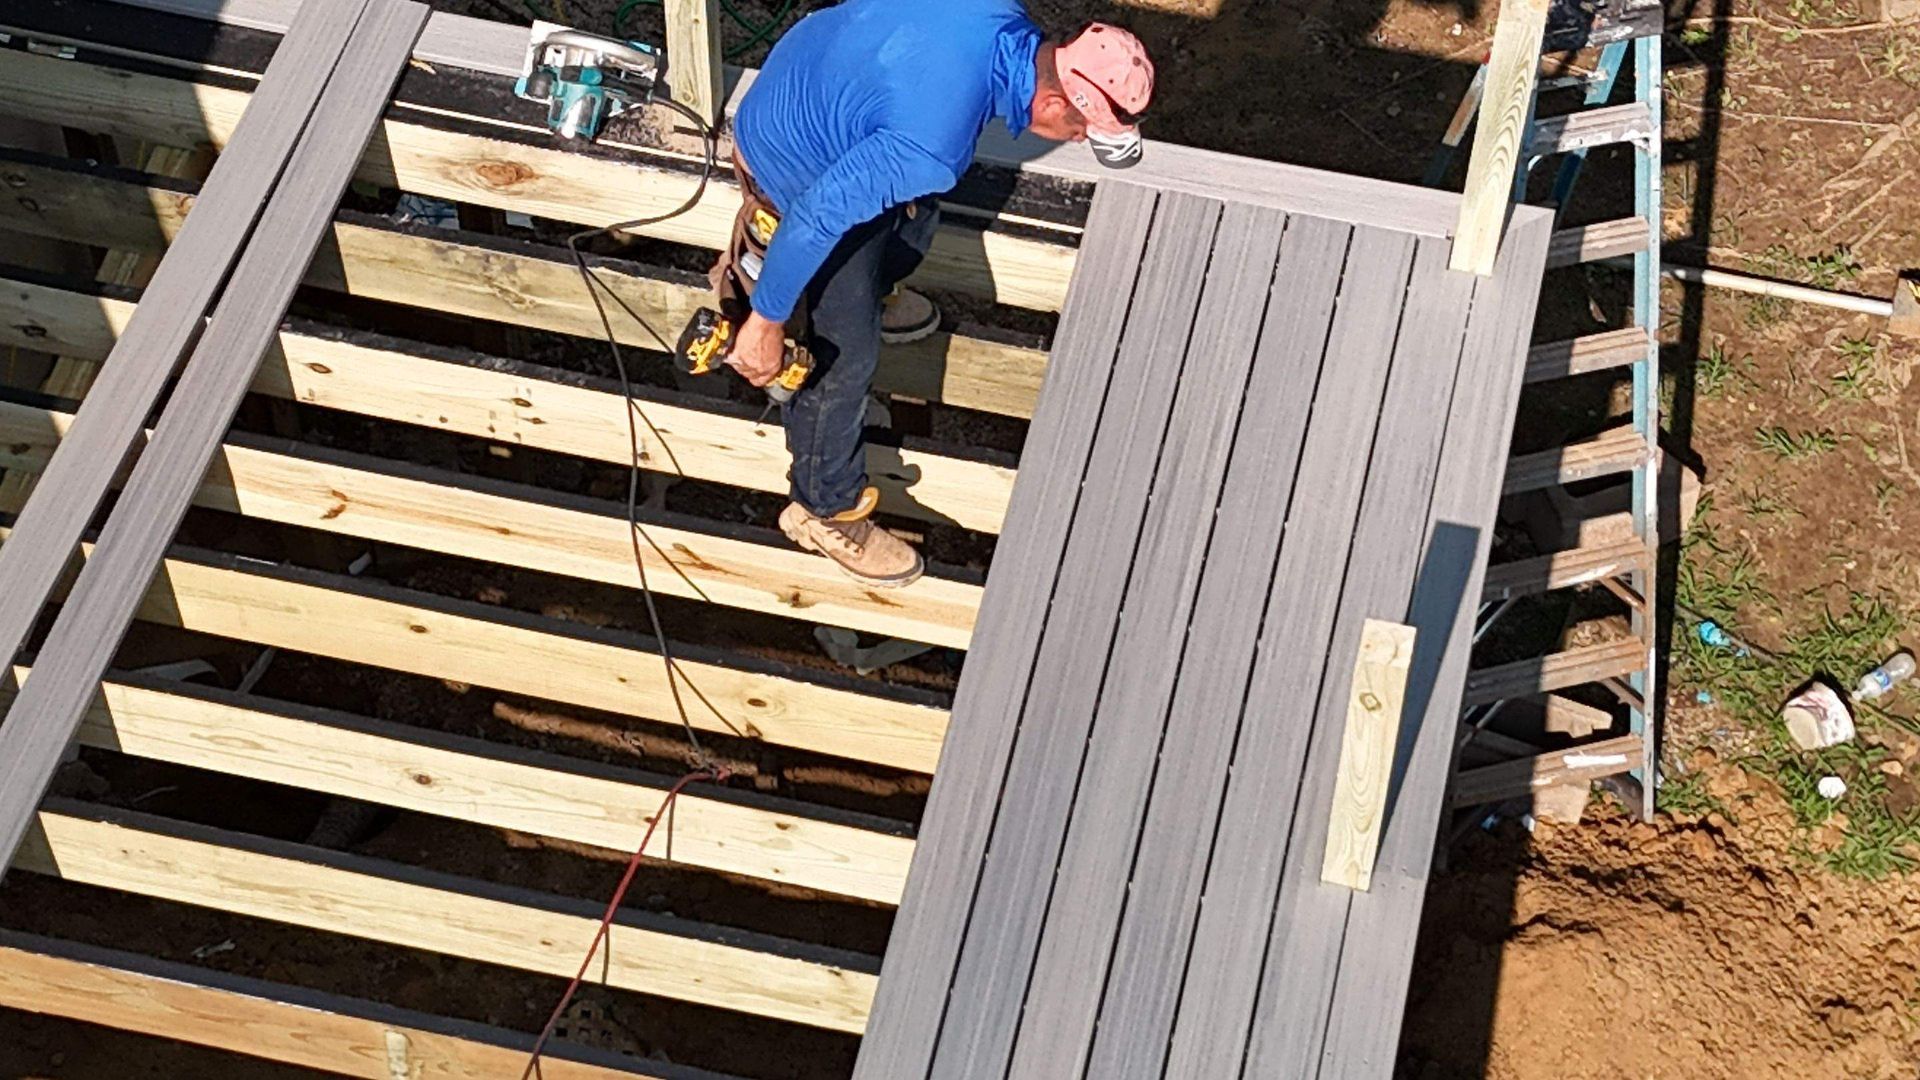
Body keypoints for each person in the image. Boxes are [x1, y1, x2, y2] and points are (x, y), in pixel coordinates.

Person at [715, 1, 1154, 587]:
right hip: (791, 164)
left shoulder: (999, 14)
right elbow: (819, 215)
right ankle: (822, 507)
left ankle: (874, 293)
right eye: (1081, 131)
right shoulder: (931, 143)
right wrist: (765, 323)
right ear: (1053, 104)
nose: (1075, 141)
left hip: (808, 81)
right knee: (845, 358)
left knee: (918, 213)